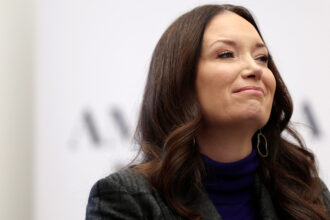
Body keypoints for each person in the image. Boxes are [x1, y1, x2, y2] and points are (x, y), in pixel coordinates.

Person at [86, 4, 330, 220]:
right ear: (181, 80)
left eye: (262, 57)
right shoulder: (127, 197)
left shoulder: (308, 192)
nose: (254, 68)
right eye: (226, 54)